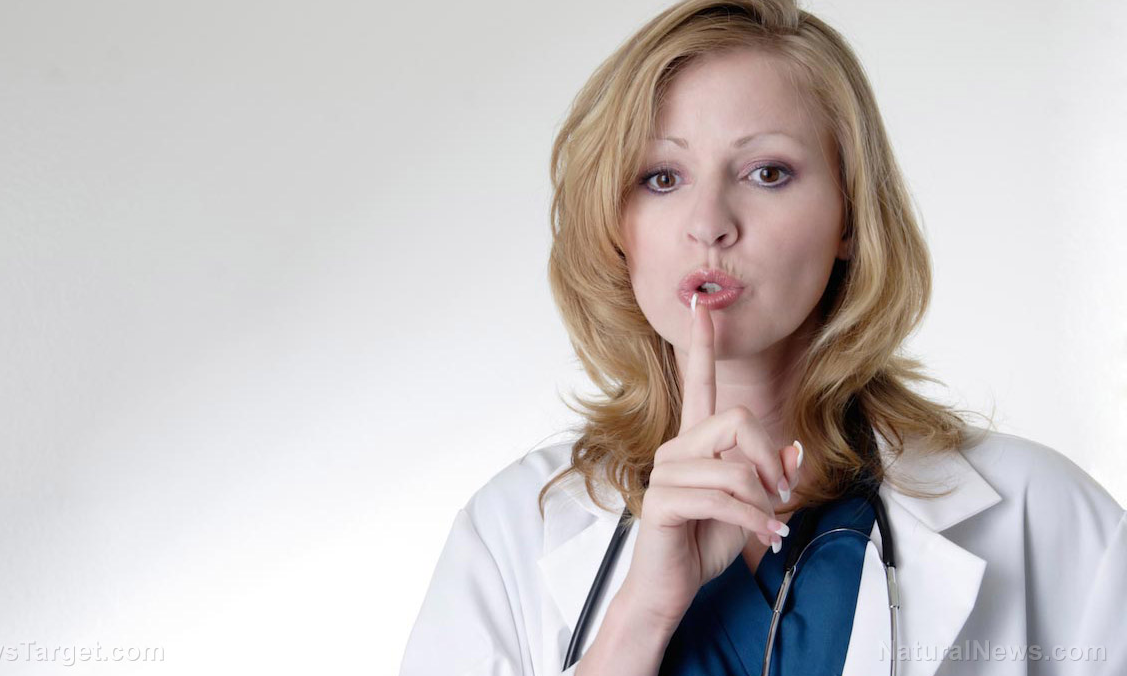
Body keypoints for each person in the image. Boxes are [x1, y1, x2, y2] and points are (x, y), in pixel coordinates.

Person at [398, 1, 1127, 675]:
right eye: (661, 177)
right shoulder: (510, 535)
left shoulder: (1043, 518)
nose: (709, 223)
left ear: (849, 216)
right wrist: (638, 619)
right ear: (615, 224)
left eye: (767, 172)